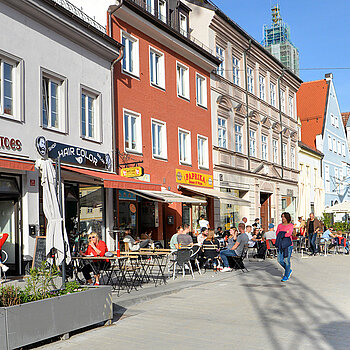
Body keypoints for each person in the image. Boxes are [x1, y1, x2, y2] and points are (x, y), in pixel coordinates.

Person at [276, 212, 294, 282]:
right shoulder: (279, 225)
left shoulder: (290, 225)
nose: (282, 218)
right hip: (280, 244)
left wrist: (282, 233)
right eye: (282, 217)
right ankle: (288, 270)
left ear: (287, 217)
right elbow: (277, 233)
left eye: (283, 217)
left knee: (286, 260)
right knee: (280, 260)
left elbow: (289, 234)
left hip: (288, 245)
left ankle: (286, 275)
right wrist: (284, 233)